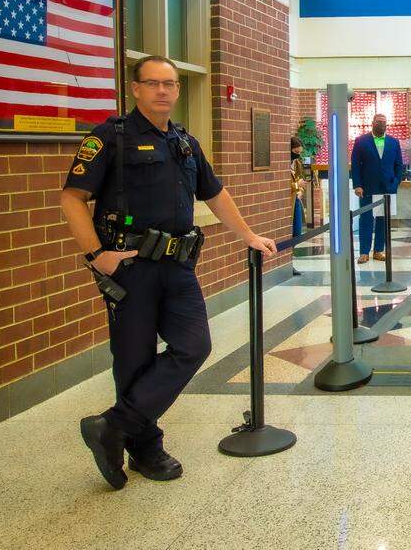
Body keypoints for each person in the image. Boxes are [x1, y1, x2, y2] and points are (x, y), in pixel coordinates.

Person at [61, 55, 277, 490]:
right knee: (134, 359)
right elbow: (72, 198)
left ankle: (113, 426)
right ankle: (146, 448)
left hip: (178, 266)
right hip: (130, 267)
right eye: (153, 83)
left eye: (171, 84)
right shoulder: (109, 138)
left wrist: (249, 235)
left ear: (178, 90)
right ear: (136, 89)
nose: (163, 91)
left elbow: (215, 195)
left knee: (194, 345)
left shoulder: (184, 142)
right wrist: (96, 254)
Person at [351, 113, 405, 263]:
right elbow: (355, 165)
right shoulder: (361, 141)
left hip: (387, 188)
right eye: (379, 122)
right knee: (366, 219)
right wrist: (357, 185)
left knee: (382, 220)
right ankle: (364, 252)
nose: (382, 124)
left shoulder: (394, 142)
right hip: (367, 187)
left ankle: (378, 250)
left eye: (384, 122)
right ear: (373, 122)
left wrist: (395, 183)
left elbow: (399, 165)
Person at [290, 136, 307, 276]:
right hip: (288, 200)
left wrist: (300, 190)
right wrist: (296, 185)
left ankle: (289, 259)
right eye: (296, 152)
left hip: (296, 199)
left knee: (297, 231)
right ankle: (288, 262)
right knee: (290, 232)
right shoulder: (283, 164)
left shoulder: (297, 164)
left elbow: (302, 180)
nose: (298, 155)